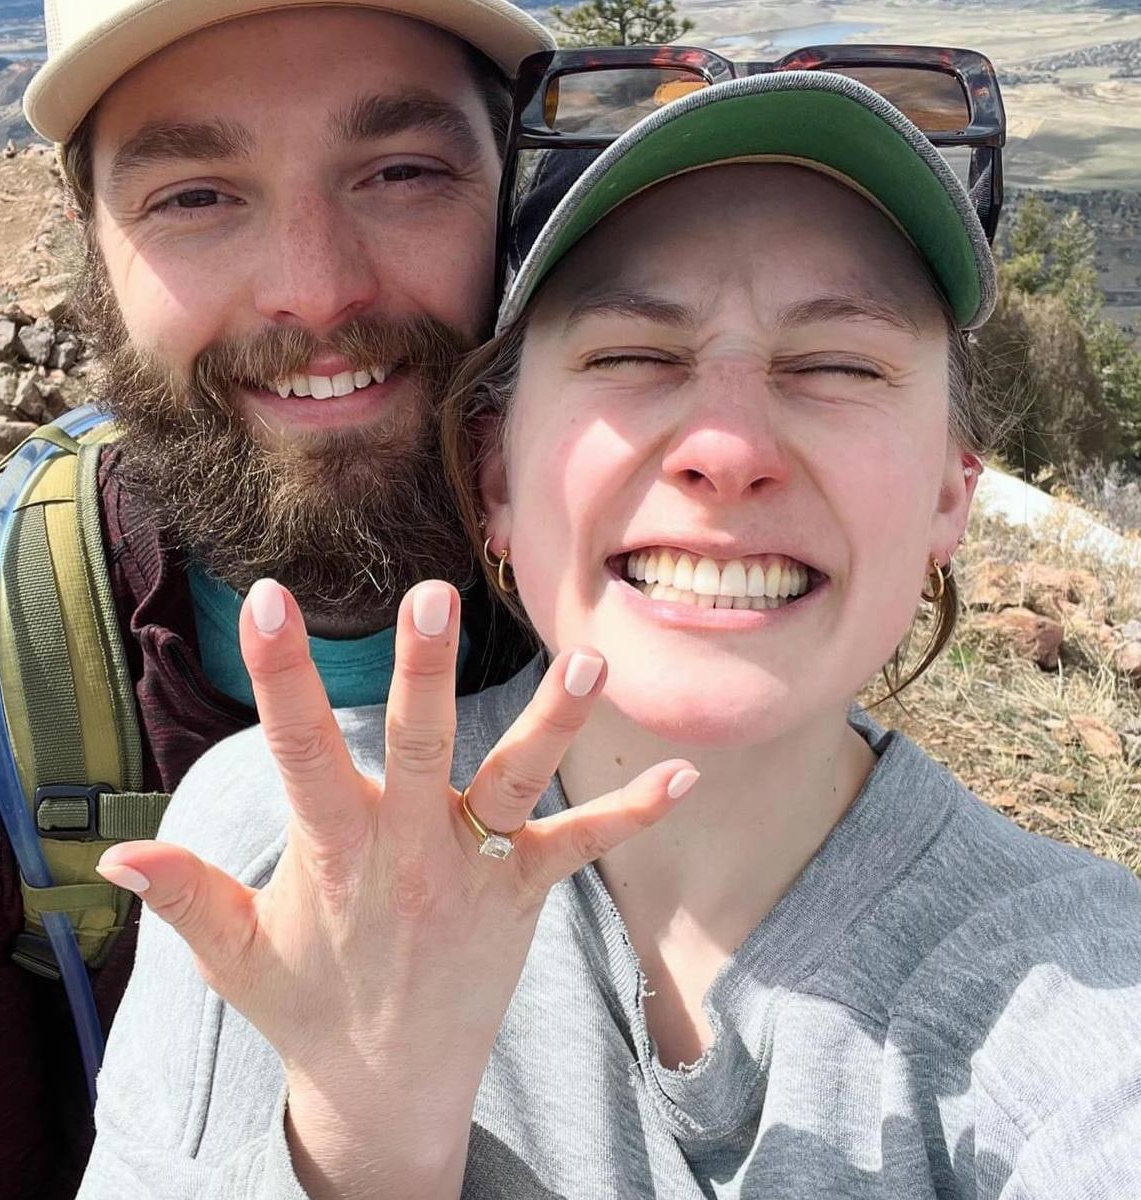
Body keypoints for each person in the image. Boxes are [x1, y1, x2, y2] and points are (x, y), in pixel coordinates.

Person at [80, 73, 1141, 1198]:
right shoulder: (276, 848)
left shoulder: (1089, 990)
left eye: (837, 365)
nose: (729, 451)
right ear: (495, 473)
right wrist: (362, 1142)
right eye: (634, 355)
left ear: (949, 495)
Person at [0, 1, 551, 1196]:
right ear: (90, 239)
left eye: (403, 173)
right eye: (196, 195)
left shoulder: (660, 596)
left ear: (514, 192)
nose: (315, 292)